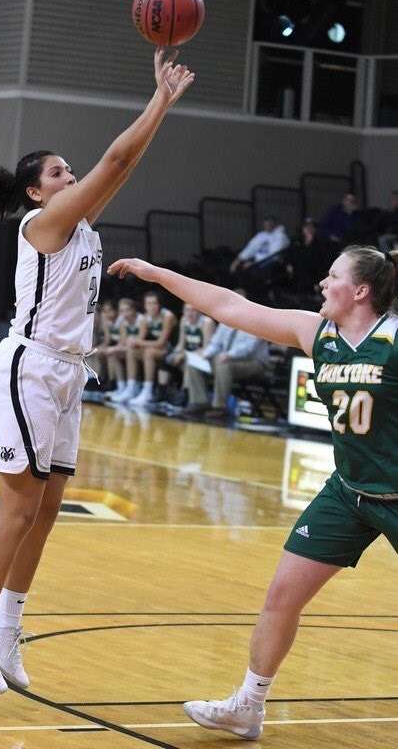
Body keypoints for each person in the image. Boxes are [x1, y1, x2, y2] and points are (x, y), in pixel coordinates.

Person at [0, 48, 194, 695]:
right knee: (19, 508)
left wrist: (160, 109)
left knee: (48, 511)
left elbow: (121, 165)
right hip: (30, 367)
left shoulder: (79, 223)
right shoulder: (41, 222)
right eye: (59, 172)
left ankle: (7, 631)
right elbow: (113, 162)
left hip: (69, 374)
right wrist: (160, 99)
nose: (71, 175)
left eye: (70, 171)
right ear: (35, 190)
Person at [109, 245, 398, 740]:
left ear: (361, 290)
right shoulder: (317, 332)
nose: (322, 285)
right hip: (347, 492)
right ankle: (248, 705)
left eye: (332, 277)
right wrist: (158, 273)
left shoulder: (392, 339)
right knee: (281, 597)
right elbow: (229, 307)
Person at [184, 293, 269, 416]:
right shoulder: (226, 320)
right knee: (195, 362)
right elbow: (216, 343)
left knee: (223, 364)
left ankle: (219, 407)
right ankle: (199, 402)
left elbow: (248, 348)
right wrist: (205, 354)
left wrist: (229, 355)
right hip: (226, 360)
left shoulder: (255, 321)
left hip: (254, 363)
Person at [116, 290, 176, 406]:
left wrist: (138, 341)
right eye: (148, 303)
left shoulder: (167, 316)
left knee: (148, 352)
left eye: (154, 303)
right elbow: (139, 340)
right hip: (154, 348)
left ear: (159, 304)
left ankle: (147, 391)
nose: (151, 306)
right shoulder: (145, 318)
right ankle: (131, 387)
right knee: (132, 351)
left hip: (170, 350)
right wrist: (135, 342)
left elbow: (161, 343)